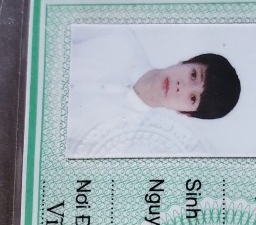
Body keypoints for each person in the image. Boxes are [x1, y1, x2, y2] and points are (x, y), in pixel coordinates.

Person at [66, 25, 241, 157]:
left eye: (193, 98)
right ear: (186, 61)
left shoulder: (115, 143)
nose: (181, 86)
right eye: (193, 75)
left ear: (186, 113)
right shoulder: (117, 34)